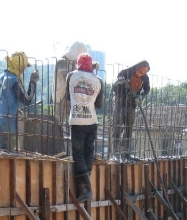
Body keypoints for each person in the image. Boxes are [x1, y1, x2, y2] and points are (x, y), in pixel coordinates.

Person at [64, 52, 104, 202]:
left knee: (78, 155)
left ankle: (86, 189)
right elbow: (99, 104)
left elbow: (68, 97)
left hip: (77, 120)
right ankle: (86, 188)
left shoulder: (71, 76)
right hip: (92, 121)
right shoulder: (98, 80)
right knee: (89, 152)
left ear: (78, 63)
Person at [0, 51, 39, 151]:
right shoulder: (14, 81)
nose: (24, 70)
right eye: (24, 67)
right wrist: (33, 82)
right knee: (5, 156)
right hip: (7, 126)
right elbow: (27, 99)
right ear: (20, 66)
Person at [111, 60, 150, 161]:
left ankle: (126, 153)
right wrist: (117, 83)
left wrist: (141, 97)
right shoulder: (125, 73)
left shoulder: (145, 78)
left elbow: (147, 89)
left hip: (131, 105)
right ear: (137, 68)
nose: (142, 74)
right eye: (141, 72)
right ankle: (116, 153)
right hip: (120, 103)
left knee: (129, 128)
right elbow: (114, 89)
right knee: (118, 127)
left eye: (144, 72)